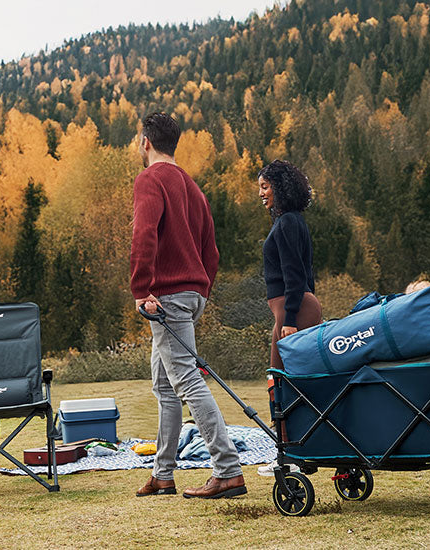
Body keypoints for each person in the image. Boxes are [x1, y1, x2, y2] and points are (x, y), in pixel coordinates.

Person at [130, 112, 245, 499]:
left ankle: (227, 470)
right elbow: (211, 250)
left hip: (166, 297)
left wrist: (141, 289)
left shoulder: (150, 179)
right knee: (165, 386)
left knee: (188, 381)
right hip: (190, 294)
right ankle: (163, 474)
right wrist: (202, 292)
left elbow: (144, 235)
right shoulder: (193, 188)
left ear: (146, 141)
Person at [256, 160, 323, 476]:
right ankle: (298, 452)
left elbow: (295, 276)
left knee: (279, 382)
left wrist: (291, 318)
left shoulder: (287, 224)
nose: (261, 194)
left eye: (265, 186)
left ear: (280, 188)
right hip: (295, 308)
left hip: (291, 311)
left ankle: (289, 456)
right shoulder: (292, 222)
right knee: (289, 383)